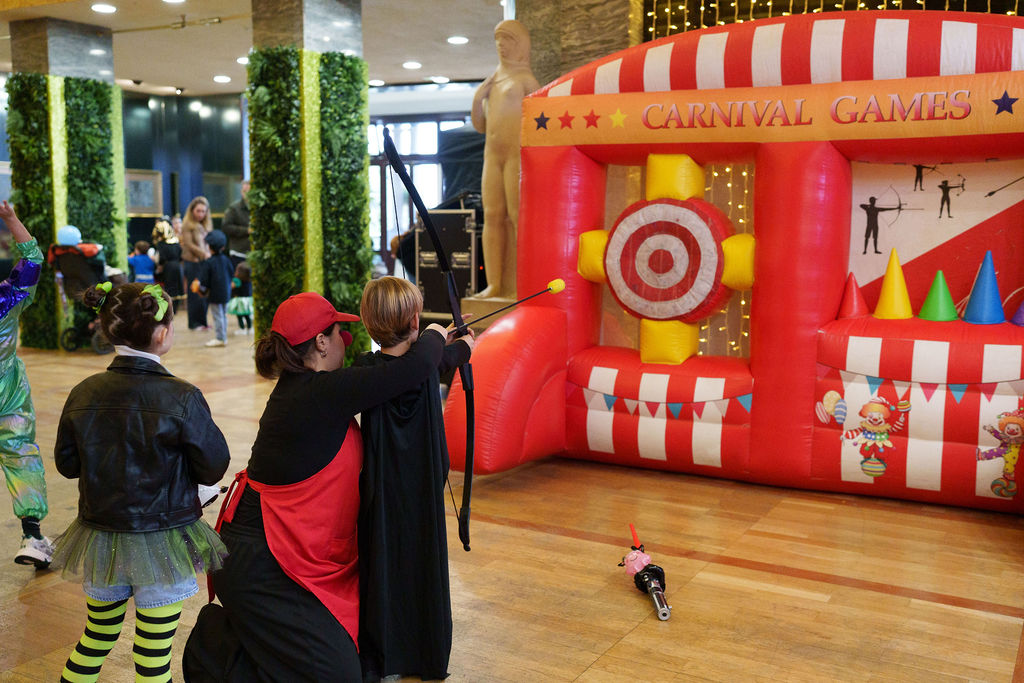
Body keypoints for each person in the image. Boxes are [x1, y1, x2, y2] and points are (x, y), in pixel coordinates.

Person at [183, 292, 472, 682]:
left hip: (288, 555)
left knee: (348, 660)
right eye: (338, 334)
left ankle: (262, 638)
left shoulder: (314, 388)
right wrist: (436, 334)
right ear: (320, 342)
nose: (344, 343)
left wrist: (455, 351)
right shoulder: (318, 394)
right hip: (261, 566)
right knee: (340, 677)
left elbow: (400, 372)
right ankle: (214, 646)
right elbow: (412, 368)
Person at [52, 281, 230, 682]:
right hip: (164, 539)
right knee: (153, 652)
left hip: (102, 536)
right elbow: (213, 466)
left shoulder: (83, 392)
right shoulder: (182, 396)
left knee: (96, 637)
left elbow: (67, 464)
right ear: (163, 333)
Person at [355, 277, 473, 682]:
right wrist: (455, 344)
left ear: (369, 322)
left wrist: (454, 343)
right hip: (418, 494)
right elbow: (430, 361)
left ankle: (385, 656)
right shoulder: (416, 368)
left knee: (384, 565)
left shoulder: (368, 368)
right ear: (415, 321)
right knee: (420, 565)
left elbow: (432, 360)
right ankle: (423, 654)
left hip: (381, 495)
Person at [471, 19, 540, 299]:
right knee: (491, 215)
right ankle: (495, 284)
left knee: (517, 216)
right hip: (492, 156)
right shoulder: (493, 81)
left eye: (508, 39)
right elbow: (481, 125)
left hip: (516, 156)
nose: (501, 45)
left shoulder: (526, 81)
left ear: (520, 44)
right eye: (498, 39)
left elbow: (539, 121)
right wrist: (479, 98)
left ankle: (523, 282)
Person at [0, 201, 52, 568]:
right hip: (8, 395)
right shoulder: (5, 299)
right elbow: (32, 258)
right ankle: (32, 535)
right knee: (20, 455)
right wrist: (10, 218)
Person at [190, 229, 233, 348]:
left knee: (217, 316)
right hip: (226, 292)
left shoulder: (209, 262)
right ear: (223, 247)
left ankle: (220, 338)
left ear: (209, 247)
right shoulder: (226, 259)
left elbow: (205, 280)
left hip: (215, 294)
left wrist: (201, 289)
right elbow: (231, 272)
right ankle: (223, 336)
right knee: (223, 315)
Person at [181, 196, 212, 330]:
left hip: (204, 262)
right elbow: (189, 244)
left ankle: (203, 322)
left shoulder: (205, 225)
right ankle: (194, 323)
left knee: (204, 292)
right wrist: (204, 253)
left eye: (203, 211)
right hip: (192, 262)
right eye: (198, 211)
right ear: (192, 210)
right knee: (194, 293)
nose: (200, 214)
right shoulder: (187, 225)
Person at [151, 216, 185, 312]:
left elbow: (162, 258)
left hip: (168, 267)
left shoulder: (161, 244)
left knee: (170, 286)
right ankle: (176, 308)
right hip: (177, 266)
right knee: (178, 286)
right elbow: (181, 255)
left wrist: (160, 265)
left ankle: (170, 308)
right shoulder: (176, 242)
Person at [221, 179, 251, 269]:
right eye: (244, 191)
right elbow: (226, 227)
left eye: (249, 191)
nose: (247, 194)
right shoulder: (234, 208)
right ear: (241, 192)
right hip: (239, 253)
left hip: (254, 252)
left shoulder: (259, 208)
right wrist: (246, 230)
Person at [227, 261, 253, 335]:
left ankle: (242, 329)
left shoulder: (237, 280)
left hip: (240, 301)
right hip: (247, 300)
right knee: (247, 315)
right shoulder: (249, 280)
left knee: (240, 316)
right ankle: (250, 328)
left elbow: (231, 286)